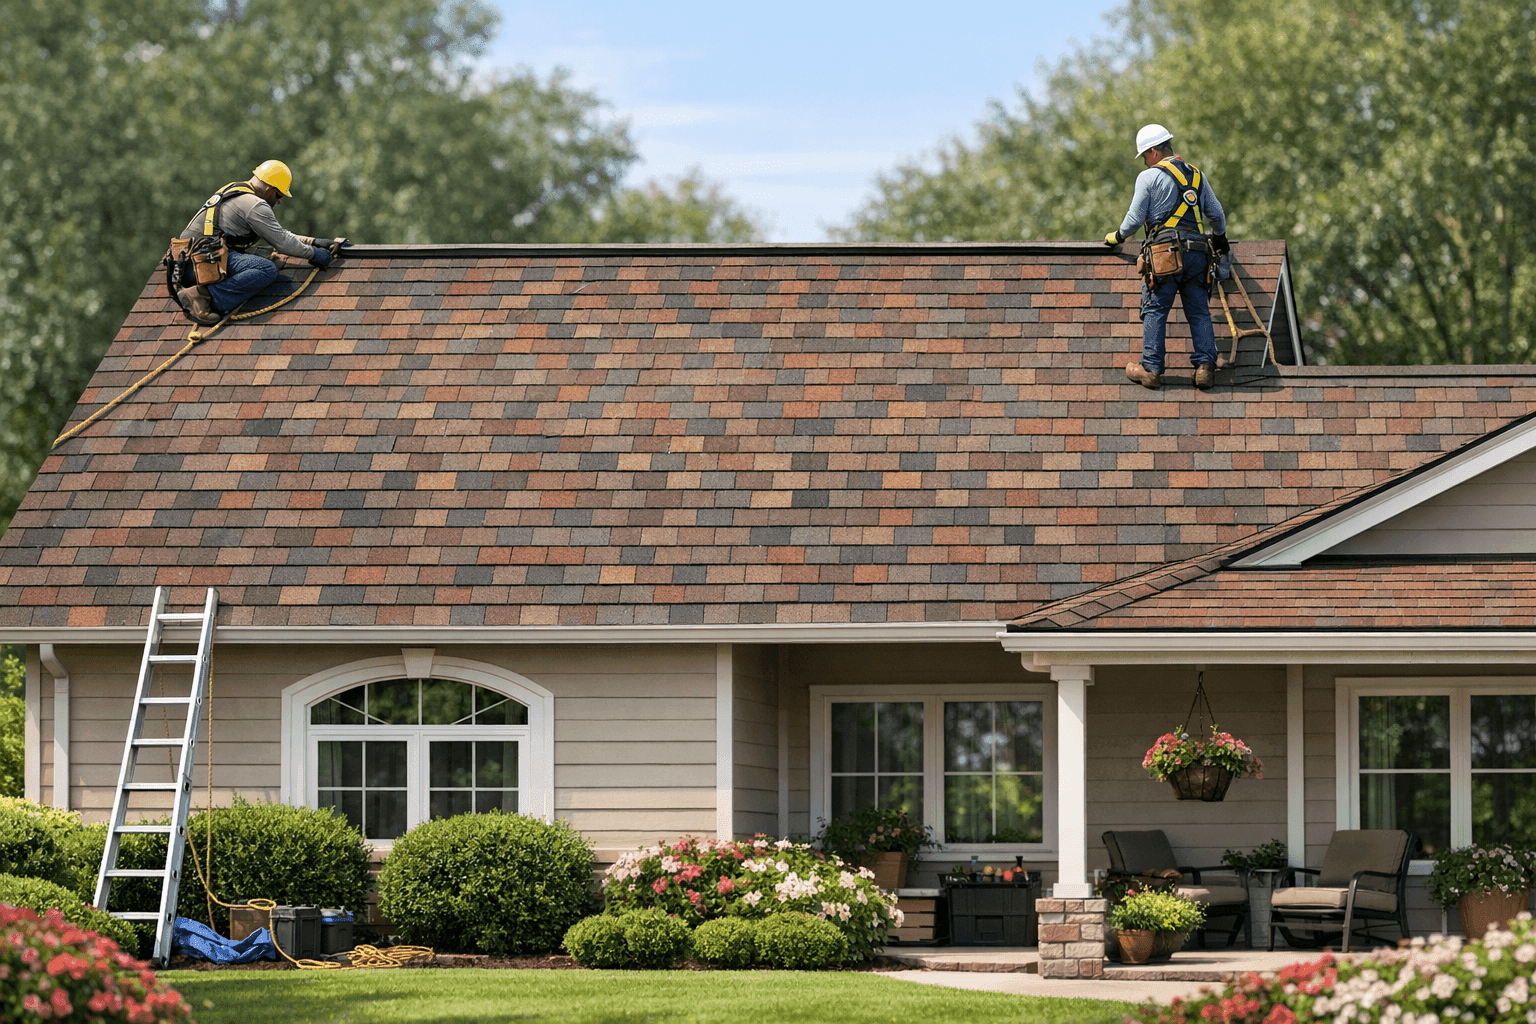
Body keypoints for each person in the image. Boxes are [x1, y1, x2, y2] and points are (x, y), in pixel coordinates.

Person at [1104, 124, 1229, 391]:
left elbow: (1134, 219)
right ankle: (1205, 368)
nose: (1145, 162)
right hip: (1198, 254)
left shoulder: (1148, 177)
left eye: (1145, 156)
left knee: (1156, 309)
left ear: (1153, 152)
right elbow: (1217, 214)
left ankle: (1150, 369)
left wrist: (1117, 236)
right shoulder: (1197, 175)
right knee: (1199, 311)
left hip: (1165, 254)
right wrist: (1220, 238)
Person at [174, 160, 341, 325]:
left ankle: (203, 293)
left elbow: (279, 234)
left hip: (186, 262)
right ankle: (203, 297)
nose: (279, 201)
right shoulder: (255, 205)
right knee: (266, 269)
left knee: (262, 255)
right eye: (279, 195)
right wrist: (314, 254)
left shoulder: (236, 190)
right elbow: (283, 242)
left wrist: (313, 241)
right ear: (269, 190)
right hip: (200, 264)